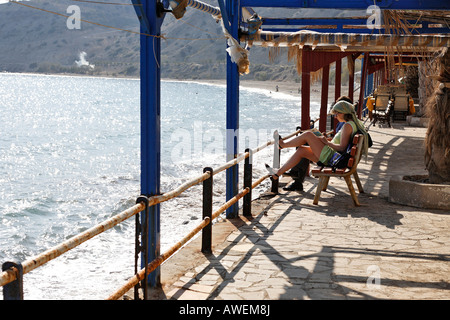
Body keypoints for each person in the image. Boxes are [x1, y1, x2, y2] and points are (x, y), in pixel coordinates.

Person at [266, 100, 369, 180]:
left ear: (344, 113)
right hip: (334, 156)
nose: (336, 116)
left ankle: (282, 145)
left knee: (308, 134)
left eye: (337, 114)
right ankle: (277, 174)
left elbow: (342, 148)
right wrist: (327, 139)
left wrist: (326, 142)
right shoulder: (356, 123)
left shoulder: (347, 126)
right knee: (301, 150)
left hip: (332, 157)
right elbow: (343, 144)